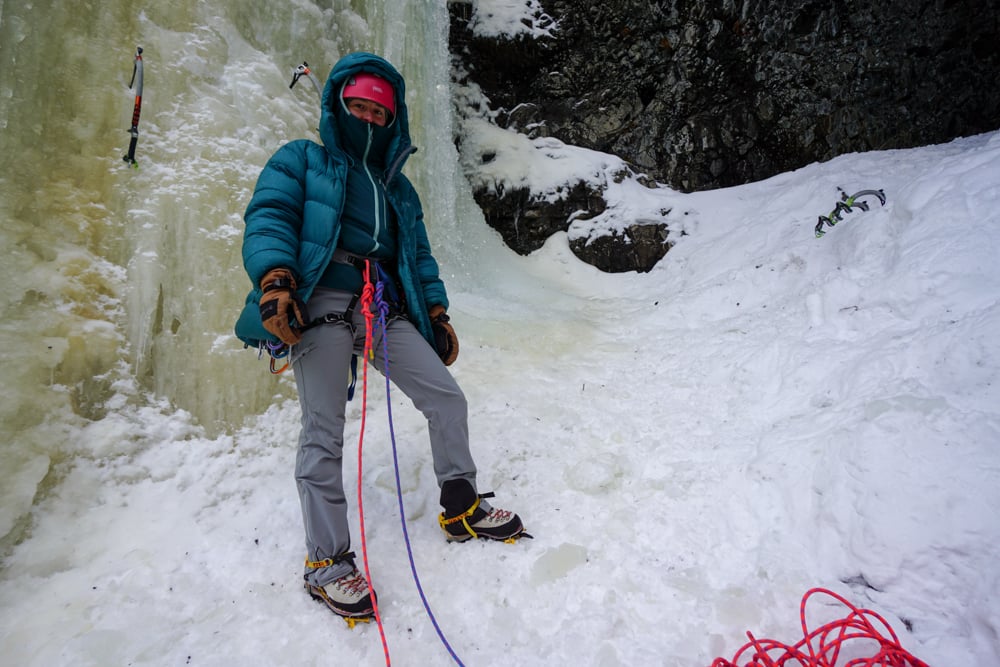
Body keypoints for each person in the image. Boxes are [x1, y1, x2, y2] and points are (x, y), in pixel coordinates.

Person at [234, 51, 526, 620]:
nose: (368, 118)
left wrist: (436, 313)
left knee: (445, 396)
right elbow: (269, 216)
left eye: (379, 112)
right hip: (317, 300)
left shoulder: (401, 191)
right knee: (323, 429)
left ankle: (461, 504)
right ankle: (326, 563)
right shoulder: (302, 161)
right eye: (359, 106)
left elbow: (417, 255)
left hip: (381, 305)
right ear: (339, 107)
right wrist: (276, 280)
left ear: (393, 121)